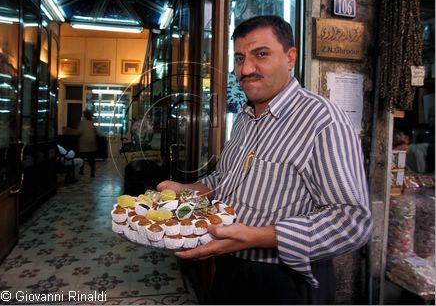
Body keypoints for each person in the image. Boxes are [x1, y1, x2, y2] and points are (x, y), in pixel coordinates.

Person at [157, 15, 372, 304]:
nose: (245, 69)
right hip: (230, 267)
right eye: (239, 58)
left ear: (290, 57)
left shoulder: (323, 121)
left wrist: (258, 237)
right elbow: (225, 180)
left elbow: (352, 221)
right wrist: (187, 191)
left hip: (286, 280)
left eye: (261, 54)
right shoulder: (245, 118)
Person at [76, 110, 99, 177]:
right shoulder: (92, 123)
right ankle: (92, 172)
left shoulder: (81, 123)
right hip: (91, 145)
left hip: (83, 145)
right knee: (91, 160)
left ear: (84, 116)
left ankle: (81, 171)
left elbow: (79, 132)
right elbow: (96, 132)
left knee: (82, 158)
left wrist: (74, 132)